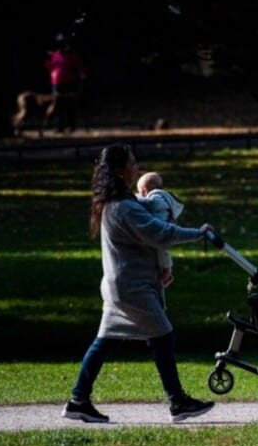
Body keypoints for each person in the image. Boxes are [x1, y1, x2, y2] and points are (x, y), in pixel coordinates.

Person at [61, 144, 215, 424]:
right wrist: (198, 233)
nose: (137, 168)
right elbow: (160, 233)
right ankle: (177, 402)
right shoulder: (123, 208)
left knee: (104, 342)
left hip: (122, 284)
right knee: (163, 336)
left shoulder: (120, 203)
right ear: (120, 170)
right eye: (133, 163)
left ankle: (78, 400)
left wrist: (161, 265)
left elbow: (149, 232)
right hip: (132, 287)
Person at [136, 171, 184, 289]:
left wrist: (134, 199)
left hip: (161, 232)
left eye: (141, 192)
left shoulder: (158, 196)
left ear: (149, 189)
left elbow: (151, 204)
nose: (140, 194)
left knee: (162, 253)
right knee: (161, 252)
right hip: (160, 231)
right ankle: (166, 271)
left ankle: (166, 271)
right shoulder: (161, 196)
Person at [44, 33, 86, 132]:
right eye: (61, 43)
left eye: (65, 43)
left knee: (70, 106)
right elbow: (51, 67)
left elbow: (79, 68)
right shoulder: (55, 55)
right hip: (57, 84)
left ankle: (71, 126)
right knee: (58, 107)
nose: (64, 46)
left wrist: (81, 79)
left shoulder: (72, 54)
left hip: (69, 84)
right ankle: (60, 127)